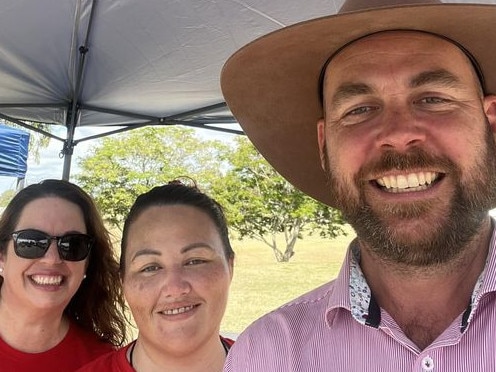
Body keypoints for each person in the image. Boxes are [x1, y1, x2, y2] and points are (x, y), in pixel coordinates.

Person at [220, 0, 496, 370]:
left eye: (433, 99)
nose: (398, 135)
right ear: (324, 145)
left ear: (491, 123)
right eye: (360, 109)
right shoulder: (268, 355)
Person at [78, 179, 235, 372]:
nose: (175, 288)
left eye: (195, 261)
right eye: (150, 268)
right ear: (123, 281)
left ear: (230, 266)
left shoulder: (275, 363)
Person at [0, 179, 128, 371]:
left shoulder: (100, 364)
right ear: (2, 256)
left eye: (73, 245)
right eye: (31, 242)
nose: (52, 259)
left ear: (87, 264)